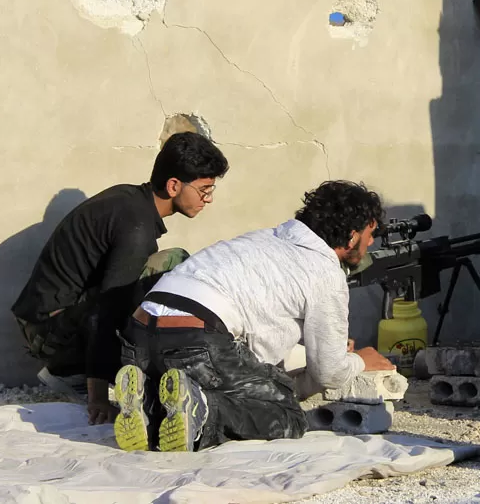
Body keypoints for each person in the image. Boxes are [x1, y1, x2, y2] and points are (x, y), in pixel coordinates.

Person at [112, 180, 396, 453]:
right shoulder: (325, 271)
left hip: (138, 336)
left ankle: (149, 402)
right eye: (369, 234)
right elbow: (329, 373)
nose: (371, 242)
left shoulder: (264, 239)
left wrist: (325, 347)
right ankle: (204, 412)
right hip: (195, 340)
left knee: (228, 381)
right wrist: (359, 360)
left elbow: (259, 335)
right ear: (351, 236)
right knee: (286, 413)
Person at [12, 131, 230, 425]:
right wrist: (99, 399)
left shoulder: (131, 201)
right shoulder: (135, 228)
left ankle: (74, 368)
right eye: (204, 190)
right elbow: (106, 312)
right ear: (174, 185)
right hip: (52, 336)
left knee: (169, 271)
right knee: (167, 275)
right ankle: (68, 371)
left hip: (57, 323)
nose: (208, 199)